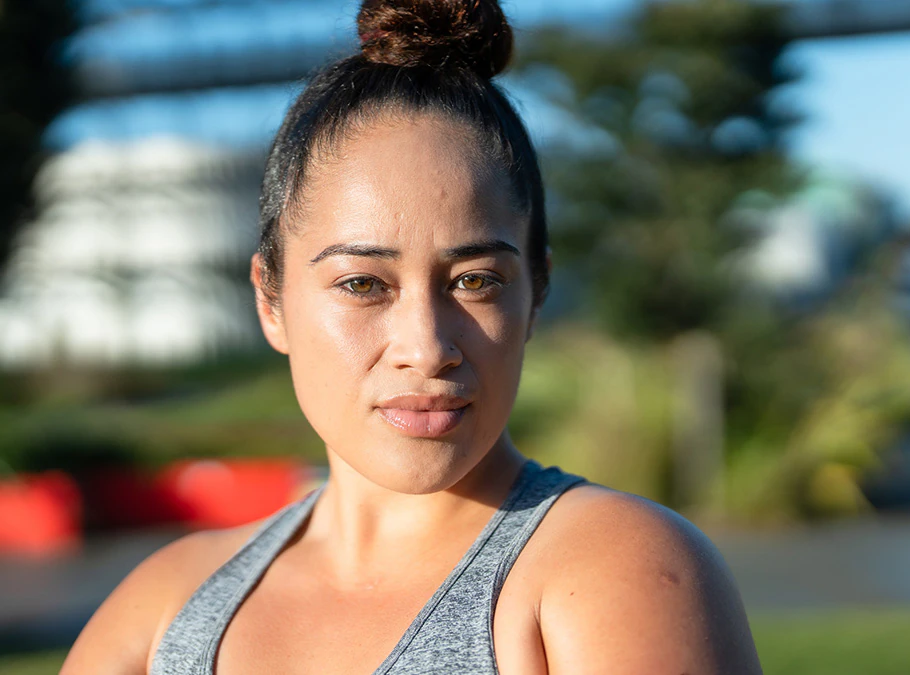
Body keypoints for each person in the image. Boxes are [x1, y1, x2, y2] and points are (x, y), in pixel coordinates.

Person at [61, 1, 763, 673]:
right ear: (270, 301)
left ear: (536, 294)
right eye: (363, 283)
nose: (426, 346)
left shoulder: (611, 569)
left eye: (475, 280)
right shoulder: (166, 605)